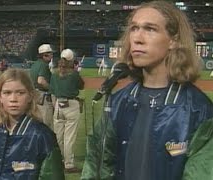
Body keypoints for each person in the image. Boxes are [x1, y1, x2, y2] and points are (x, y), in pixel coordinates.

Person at [81, 1, 213, 180]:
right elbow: (96, 164)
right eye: (134, 28)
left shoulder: (198, 109)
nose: (137, 38)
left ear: (173, 40)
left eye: (150, 29)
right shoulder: (117, 102)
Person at [0, 68, 65, 180]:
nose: (13, 99)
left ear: (30, 96)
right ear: (0, 97)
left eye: (20, 93)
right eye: (7, 93)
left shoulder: (42, 136)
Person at [50, 49, 84, 173]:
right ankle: (68, 164)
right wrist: (76, 71)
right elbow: (81, 86)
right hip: (71, 105)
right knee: (69, 137)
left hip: (58, 104)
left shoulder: (54, 73)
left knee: (58, 136)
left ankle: (58, 161)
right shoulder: (74, 74)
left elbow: (52, 90)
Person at [29, 44, 54, 130]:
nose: (52, 55)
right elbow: (41, 80)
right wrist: (52, 89)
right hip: (43, 96)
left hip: (34, 95)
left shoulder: (35, 65)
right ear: (44, 55)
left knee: (36, 123)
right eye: (50, 53)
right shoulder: (44, 65)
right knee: (46, 125)